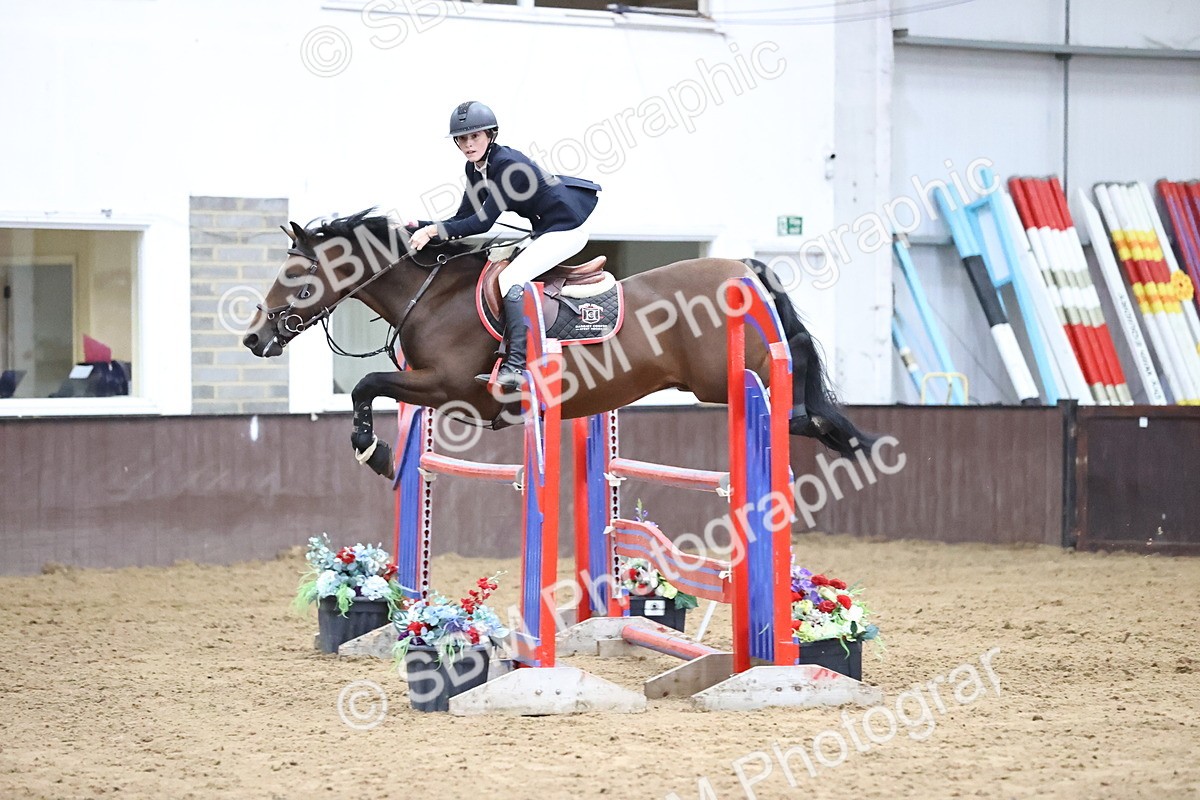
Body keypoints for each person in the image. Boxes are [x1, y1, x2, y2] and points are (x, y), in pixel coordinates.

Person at [408, 101, 601, 389]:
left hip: (568, 229)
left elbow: (482, 223)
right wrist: (420, 226)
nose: (468, 144)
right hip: (547, 229)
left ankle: (516, 365)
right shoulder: (475, 169)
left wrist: (434, 231)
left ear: (491, 135)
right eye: (462, 138)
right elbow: (464, 217)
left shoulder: (507, 166)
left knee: (510, 278)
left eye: (475, 136)